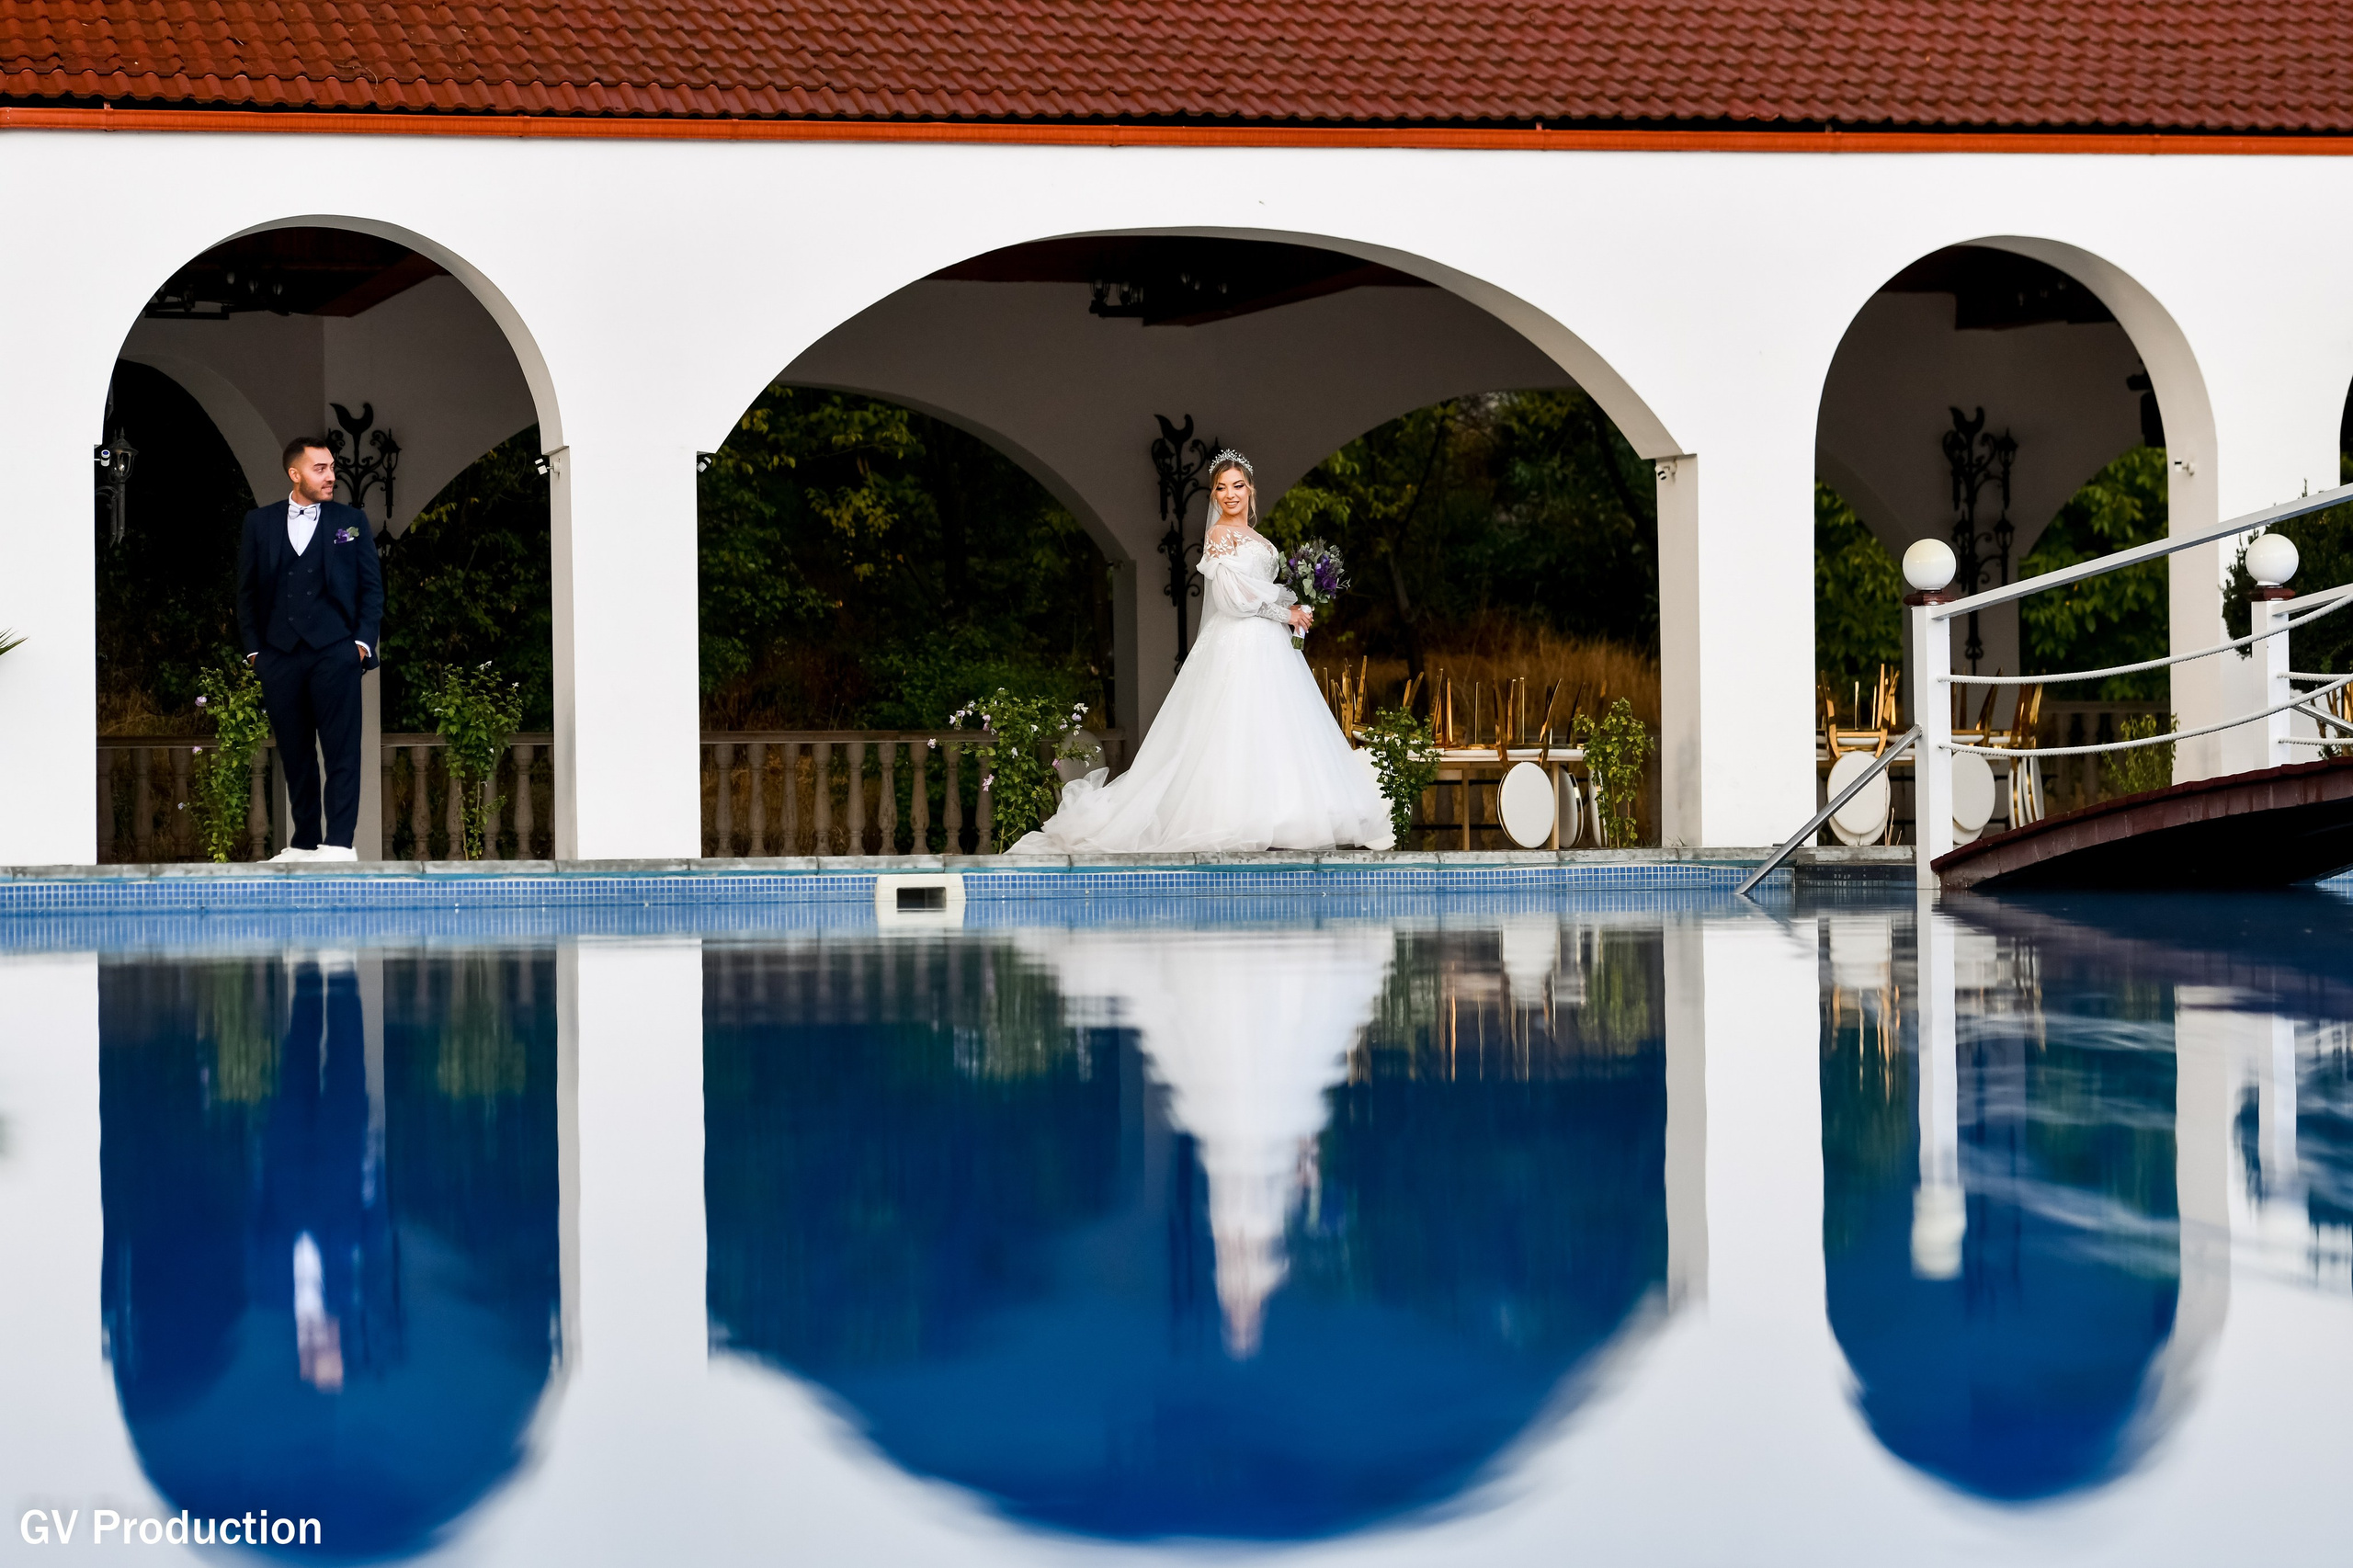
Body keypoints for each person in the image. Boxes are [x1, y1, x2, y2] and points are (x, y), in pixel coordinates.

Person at [1012, 449, 1392, 854]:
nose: (1230, 495)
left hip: (1272, 647)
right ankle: (1233, 817)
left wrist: (1298, 603)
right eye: (1221, 488)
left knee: (1273, 725)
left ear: (1250, 489)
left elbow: (1260, 588)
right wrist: (1286, 612)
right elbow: (1232, 599)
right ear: (1213, 495)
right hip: (1237, 642)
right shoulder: (1218, 536)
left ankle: (1280, 816)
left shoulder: (1261, 540)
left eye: (1237, 486)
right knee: (1230, 727)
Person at [236, 437, 383, 863]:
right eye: (320, 468)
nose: (331, 475)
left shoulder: (349, 521)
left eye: (331, 467)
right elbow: (245, 593)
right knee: (295, 754)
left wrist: (359, 644)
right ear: (294, 473)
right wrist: (254, 653)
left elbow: (371, 588)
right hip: (278, 657)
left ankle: (338, 844)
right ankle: (302, 843)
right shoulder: (258, 524)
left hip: (335, 652)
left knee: (341, 750)